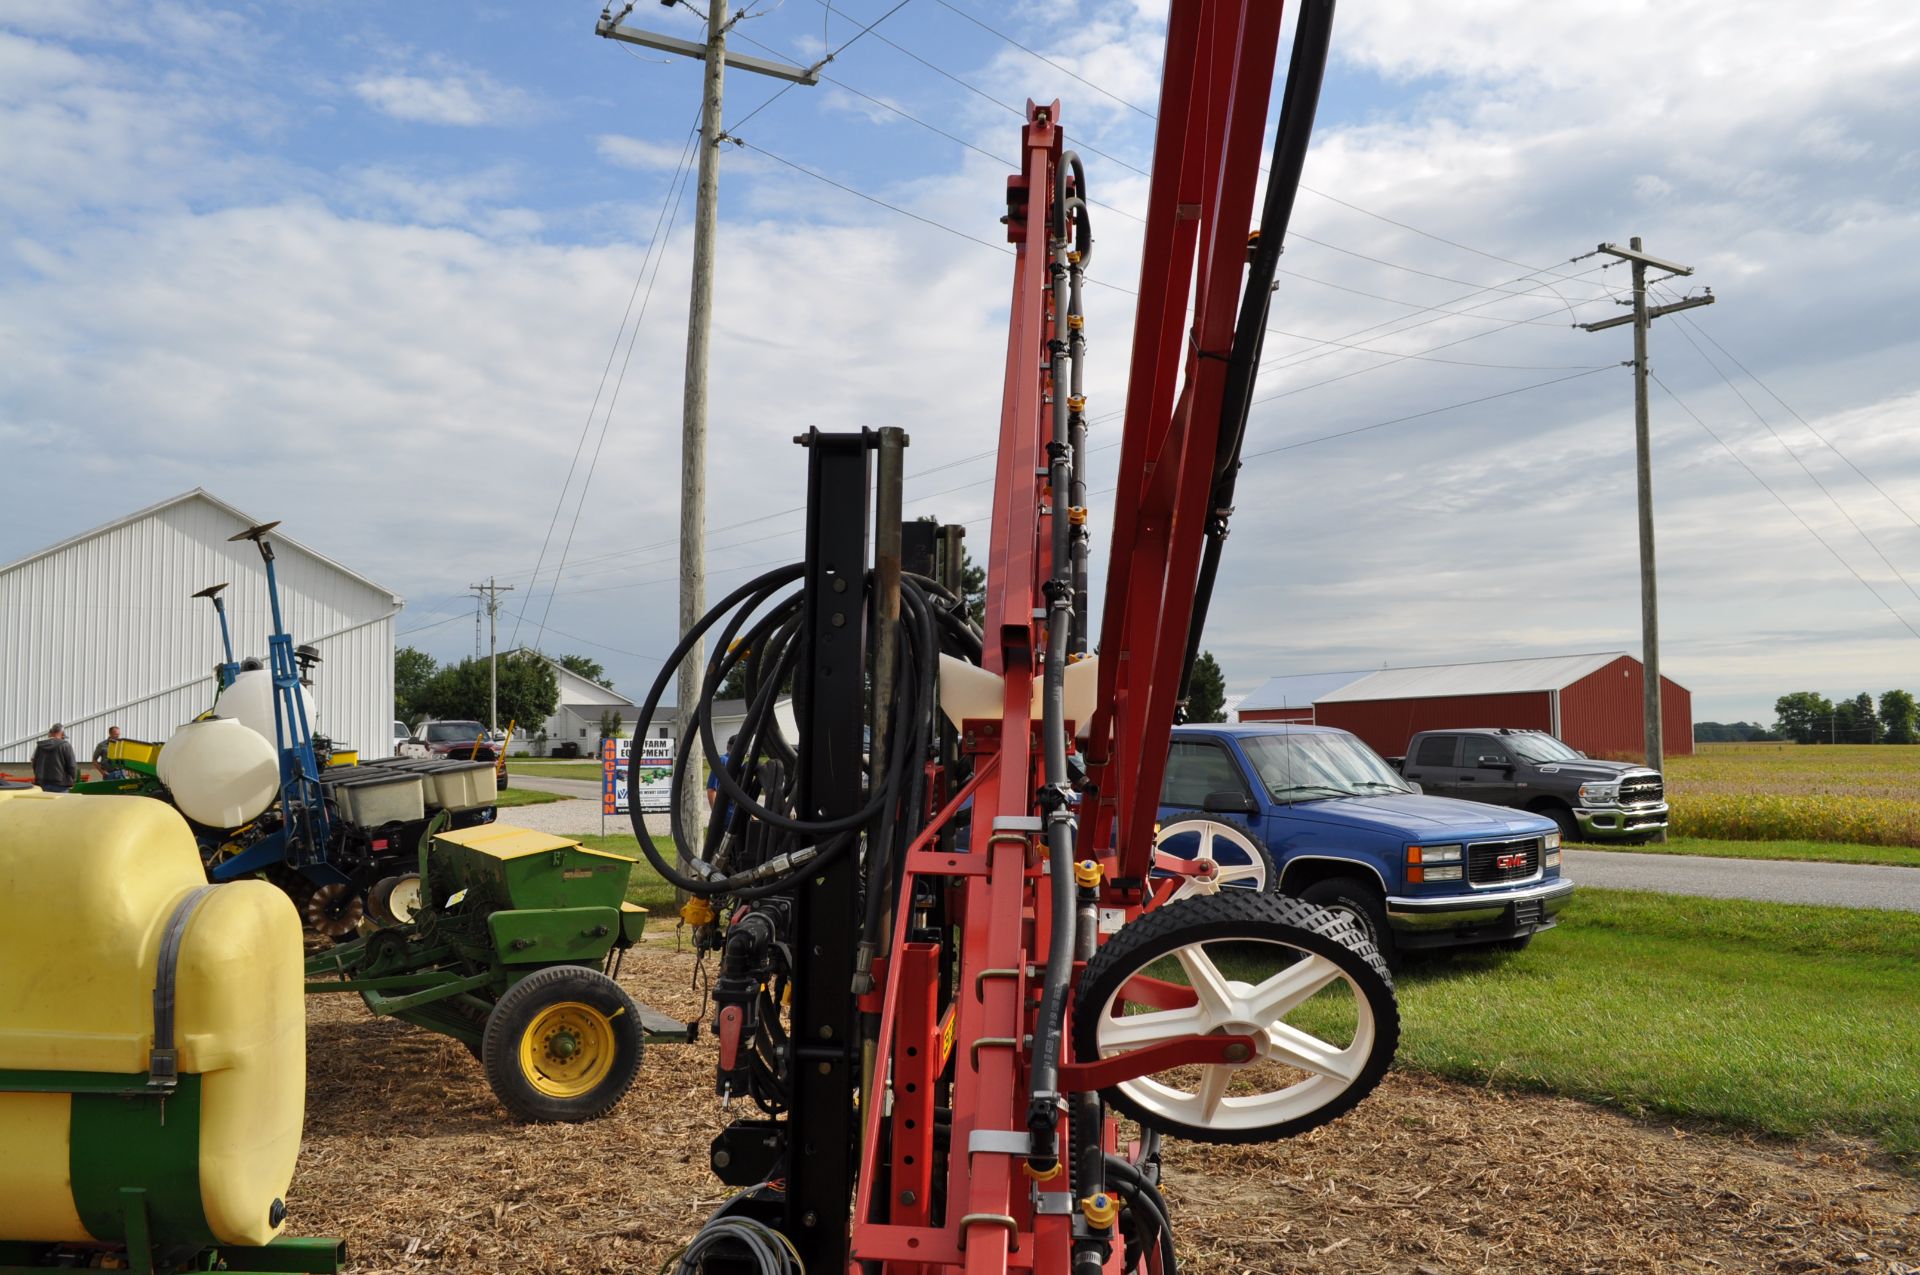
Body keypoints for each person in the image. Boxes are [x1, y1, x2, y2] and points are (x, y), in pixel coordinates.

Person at [32, 724, 78, 793]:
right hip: (61, 784)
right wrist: (73, 780)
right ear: (62, 733)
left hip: (43, 783)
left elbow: (34, 762)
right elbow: (72, 765)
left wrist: (38, 777)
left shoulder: (40, 746)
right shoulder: (65, 745)